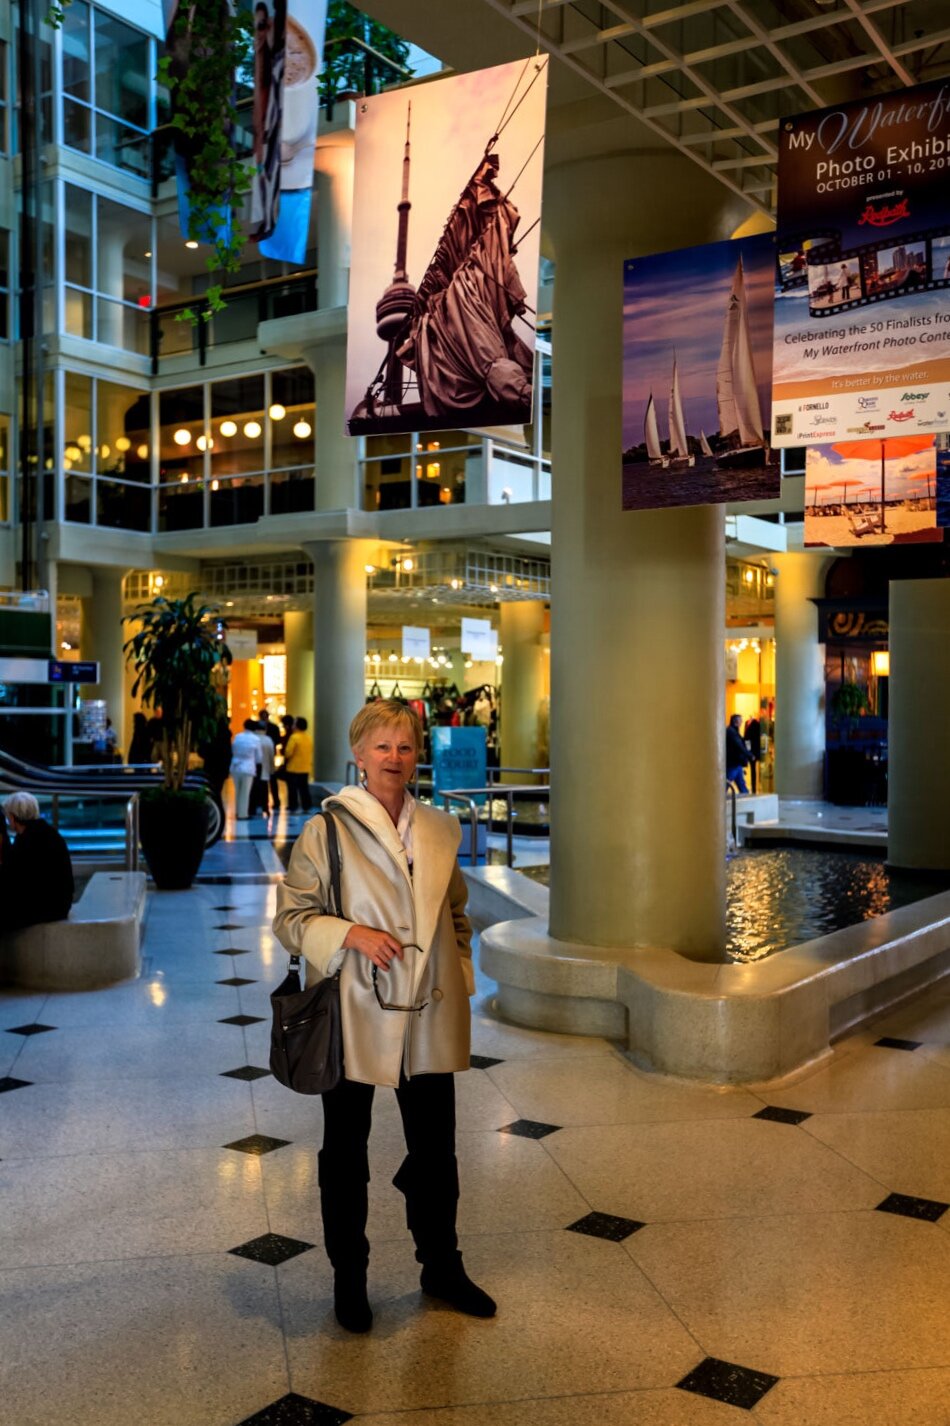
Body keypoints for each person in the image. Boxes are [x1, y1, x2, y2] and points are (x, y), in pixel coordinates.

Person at [273, 700, 495, 1334]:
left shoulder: (440, 829)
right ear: (359, 756)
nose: (394, 758)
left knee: (438, 1151)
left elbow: (457, 914)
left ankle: (441, 1267)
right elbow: (290, 921)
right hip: (353, 1013)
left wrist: (461, 975)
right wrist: (350, 934)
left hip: (428, 1012)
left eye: (404, 746)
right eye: (382, 747)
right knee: (345, 1151)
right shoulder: (327, 830)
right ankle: (350, 1278)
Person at [0, 792, 74, 929]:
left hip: (44, 908)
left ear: (12, 817)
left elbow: (11, 878)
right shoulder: (50, 833)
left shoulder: (26, 841)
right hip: (60, 904)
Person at [231, 718, 263, 820]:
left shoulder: (237, 736)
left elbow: (233, 750)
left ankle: (237, 812)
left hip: (235, 766)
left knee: (238, 790)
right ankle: (243, 814)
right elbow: (259, 757)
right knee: (245, 792)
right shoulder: (256, 739)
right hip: (248, 767)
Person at [283, 715, 313, 812]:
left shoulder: (294, 737)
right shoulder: (308, 737)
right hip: (305, 767)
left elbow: (288, 752)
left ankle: (293, 806)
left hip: (293, 768)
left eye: (294, 723)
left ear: (297, 726)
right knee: (304, 788)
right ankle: (306, 806)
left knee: (293, 789)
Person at [726, 713, 751, 794]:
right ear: (735, 722)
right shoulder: (732, 732)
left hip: (736, 763)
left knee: (741, 784)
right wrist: (750, 755)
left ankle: (747, 798)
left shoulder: (733, 731)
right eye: (740, 721)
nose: (742, 722)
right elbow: (739, 746)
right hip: (733, 763)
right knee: (727, 782)